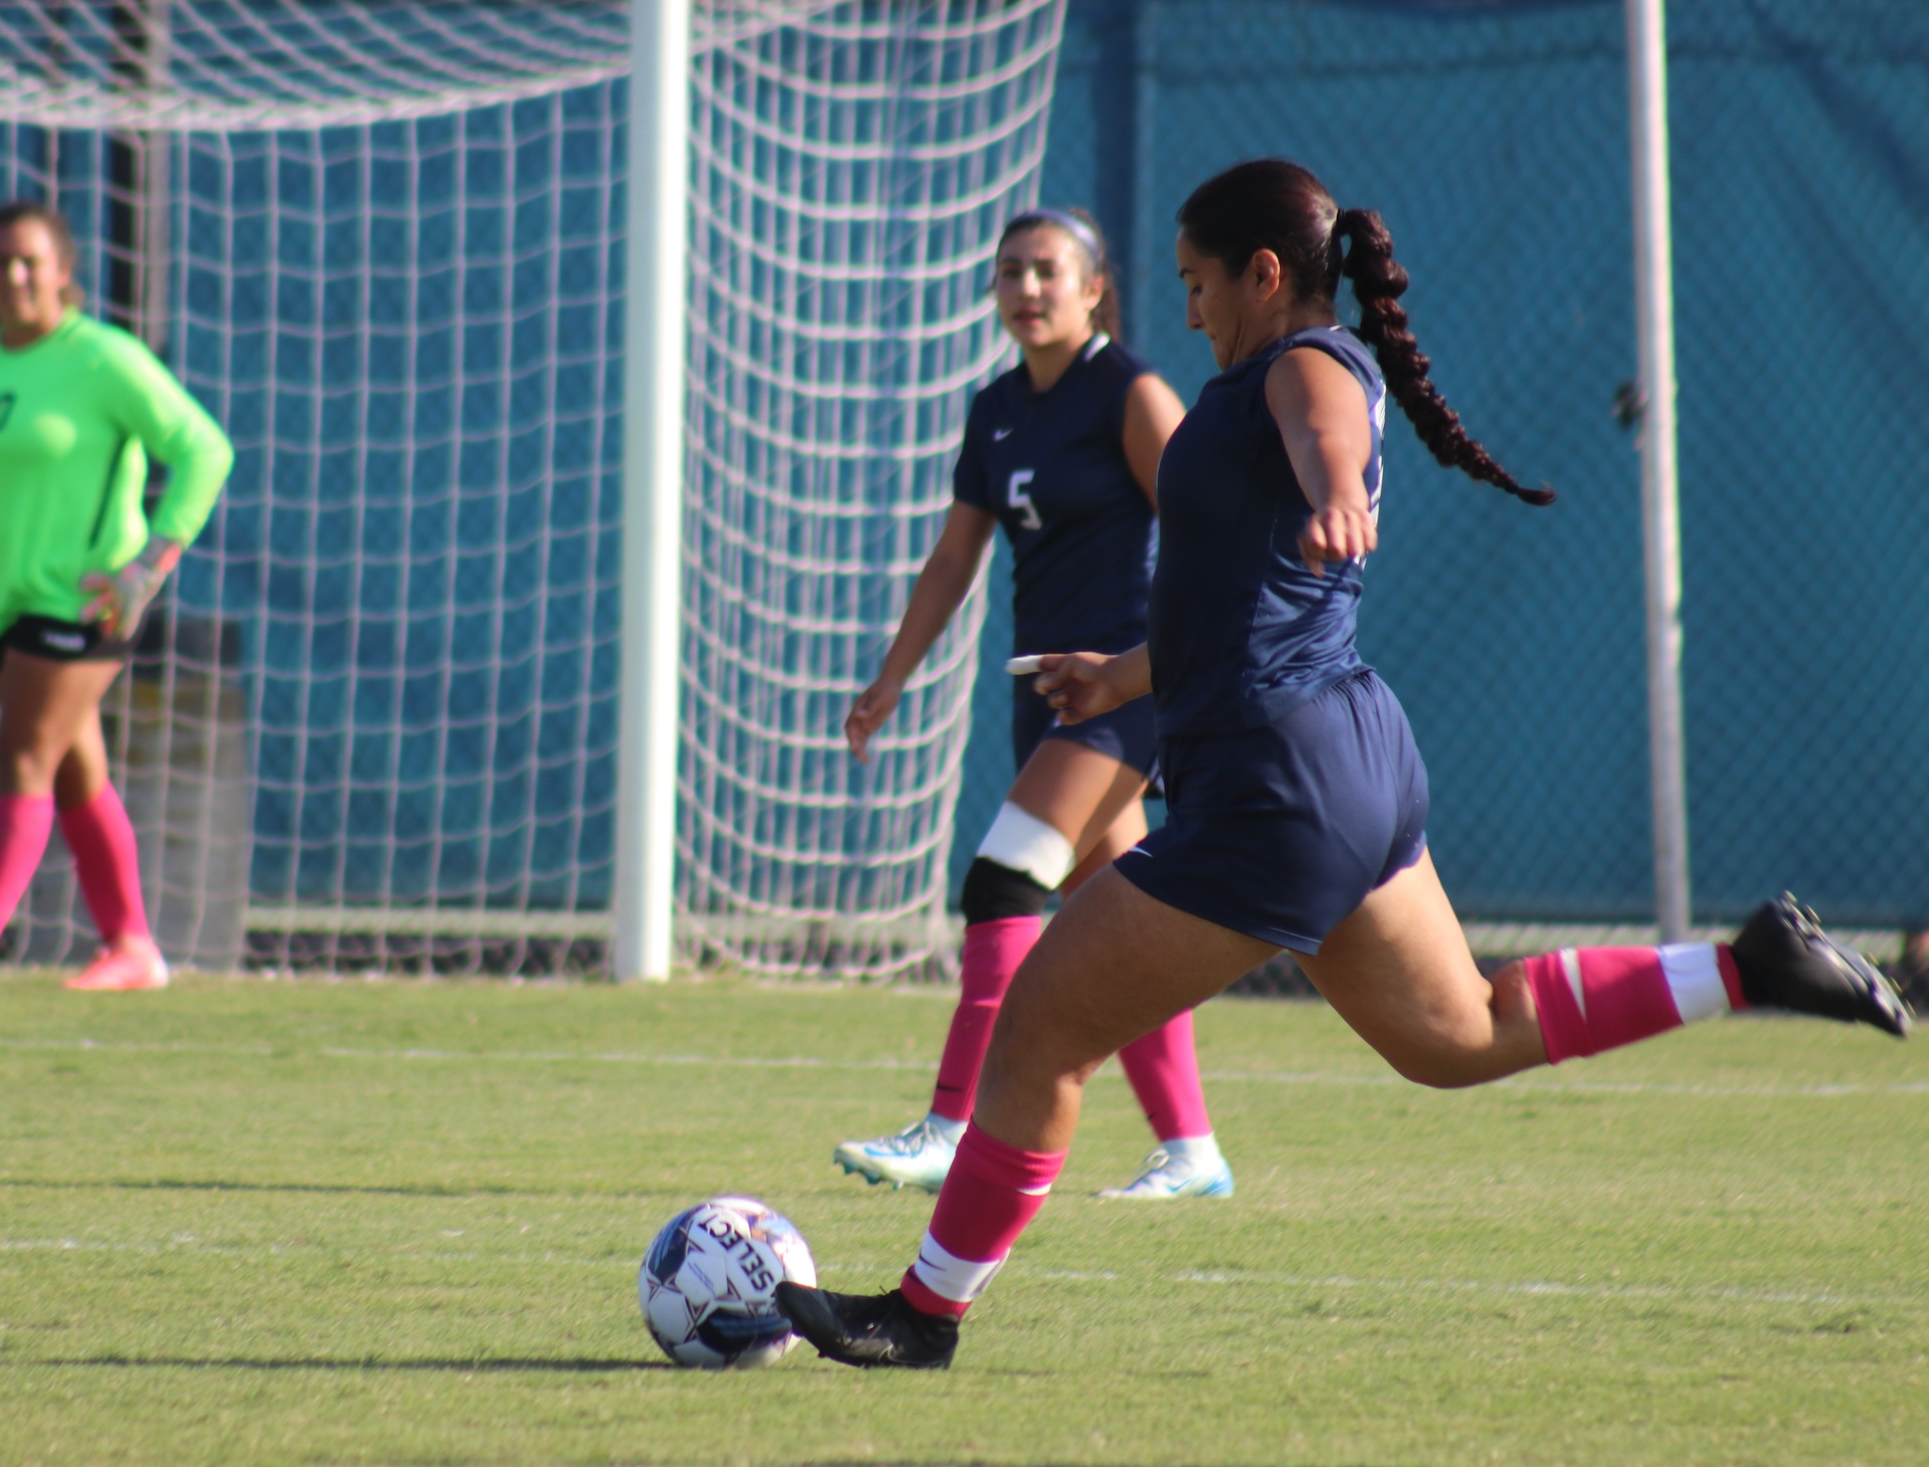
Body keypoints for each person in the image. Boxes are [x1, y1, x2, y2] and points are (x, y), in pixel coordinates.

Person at [778, 158, 1912, 1368]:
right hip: (1341, 757)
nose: (1193, 308)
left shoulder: (1300, 362)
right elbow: (1233, 592)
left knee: (1038, 1033)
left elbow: (1322, 432)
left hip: (1275, 785)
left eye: (1199, 284)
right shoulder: (1253, 373)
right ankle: (1746, 968)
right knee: (1456, 1035)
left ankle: (923, 1313)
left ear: (1265, 275)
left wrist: (1334, 488)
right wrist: (1121, 676)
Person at [835, 206, 1234, 1202]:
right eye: (1008, 271)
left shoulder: (1130, 393)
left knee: (1001, 882)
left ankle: (949, 1126)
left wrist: (1149, 658)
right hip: (1041, 697)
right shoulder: (997, 407)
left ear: (1092, 286)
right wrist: (891, 673)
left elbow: (1215, 537)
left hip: (1123, 693)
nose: (1023, 288)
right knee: (1128, 921)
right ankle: (1191, 1150)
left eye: (1045, 271)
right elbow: (952, 556)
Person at [0, 201, 235, 992]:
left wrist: (147, 566)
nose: (13, 275)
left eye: (30, 260)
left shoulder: (102, 358)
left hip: (82, 602)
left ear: (64, 271)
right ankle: (134, 948)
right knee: (76, 773)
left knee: (24, 755)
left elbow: (205, 448)